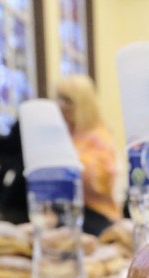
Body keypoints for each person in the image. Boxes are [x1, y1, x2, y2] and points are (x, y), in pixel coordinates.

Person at [55, 74, 120, 236]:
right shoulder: (67, 136)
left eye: (68, 100)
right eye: (59, 99)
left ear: (82, 104)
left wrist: (65, 163)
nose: (61, 106)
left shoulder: (98, 137)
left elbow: (102, 183)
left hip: (96, 216)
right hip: (68, 212)